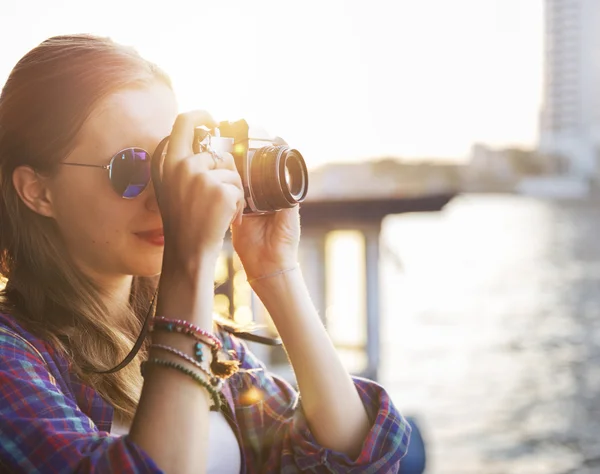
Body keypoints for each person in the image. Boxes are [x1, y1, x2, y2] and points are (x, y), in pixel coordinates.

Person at [0, 34, 411, 473]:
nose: (166, 197)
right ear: (38, 191)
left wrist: (276, 271)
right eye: (133, 168)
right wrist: (190, 262)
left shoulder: (203, 337)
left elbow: (356, 460)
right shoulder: (13, 356)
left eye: (171, 162)